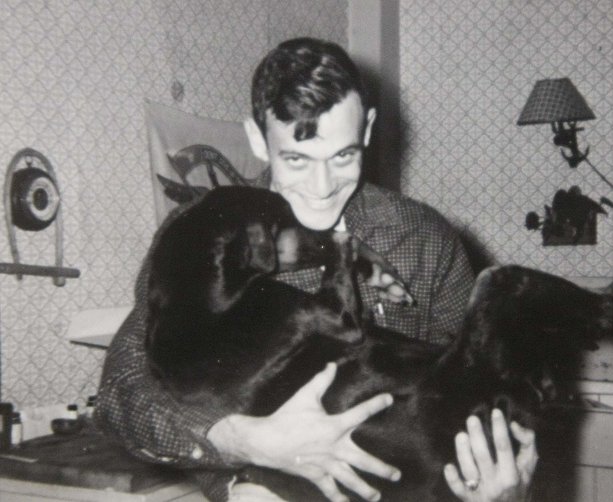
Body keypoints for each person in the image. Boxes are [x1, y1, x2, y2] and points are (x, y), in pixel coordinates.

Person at [96, 37, 536, 502]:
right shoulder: (202, 237)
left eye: (343, 156)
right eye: (297, 160)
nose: (323, 187)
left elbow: (482, 382)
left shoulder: (425, 238)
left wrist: (508, 485)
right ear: (256, 138)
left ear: (366, 129)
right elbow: (120, 396)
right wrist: (244, 441)